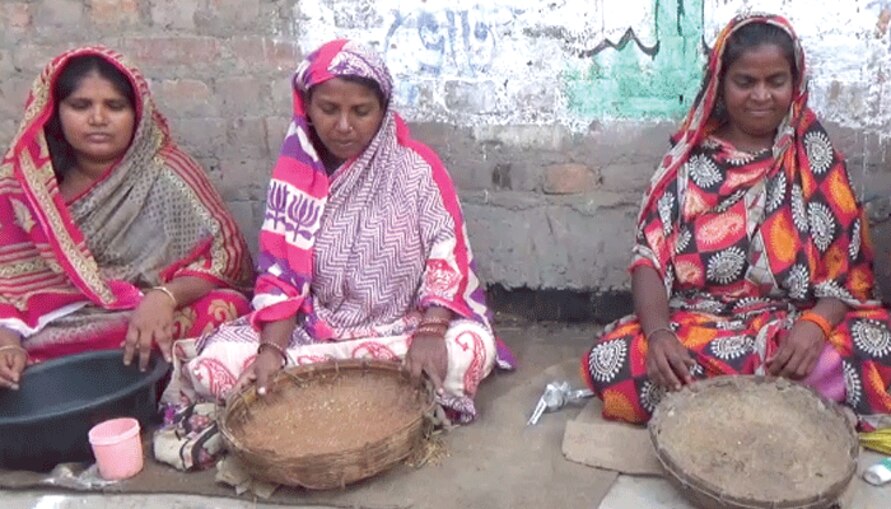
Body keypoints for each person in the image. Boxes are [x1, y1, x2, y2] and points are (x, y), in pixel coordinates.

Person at [160, 39, 514, 432]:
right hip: (316, 332)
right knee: (217, 365)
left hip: (405, 328)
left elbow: (447, 255)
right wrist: (272, 350)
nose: (344, 126)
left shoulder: (418, 169)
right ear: (308, 107)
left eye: (361, 111)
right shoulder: (295, 177)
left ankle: (322, 391)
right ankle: (374, 390)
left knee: (470, 348)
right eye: (329, 109)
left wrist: (431, 332)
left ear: (383, 109)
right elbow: (280, 279)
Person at [581, 14, 891, 428]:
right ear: (720, 84)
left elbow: (849, 277)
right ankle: (786, 409)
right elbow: (649, 260)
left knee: (876, 348)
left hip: (794, 327)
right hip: (702, 326)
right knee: (611, 360)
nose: (761, 96)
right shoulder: (687, 163)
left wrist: (816, 325)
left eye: (776, 82)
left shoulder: (816, 159)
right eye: (745, 82)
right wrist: (658, 335)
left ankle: (717, 411)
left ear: (795, 82)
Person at [0, 47, 253, 390]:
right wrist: (7, 343)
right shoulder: (27, 188)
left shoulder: (166, 173)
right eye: (80, 106)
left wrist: (164, 297)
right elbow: (8, 286)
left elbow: (227, 258)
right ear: (54, 111)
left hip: (144, 318)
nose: (98, 118)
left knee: (226, 308)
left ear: (138, 113)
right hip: (52, 330)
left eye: (115, 106)